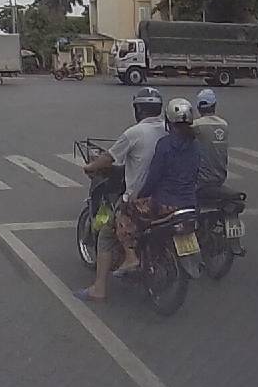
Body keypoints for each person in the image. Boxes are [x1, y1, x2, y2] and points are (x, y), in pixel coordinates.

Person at [76, 87, 167, 301]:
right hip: (166, 198)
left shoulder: (134, 133)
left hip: (139, 200)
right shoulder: (168, 129)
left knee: (106, 234)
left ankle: (99, 288)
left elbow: (109, 158)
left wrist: (90, 167)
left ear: (138, 109)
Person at [114, 98, 201, 278]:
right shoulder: (195, 145)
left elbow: (154, 176)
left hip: (164, 204)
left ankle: (131, 257)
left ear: (169, 121)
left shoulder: (165, 144)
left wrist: (140, 195)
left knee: (124, 211)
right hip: (190, 203)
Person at [192, 88, 230, 194]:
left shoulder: (196, 125)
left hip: (201, 179)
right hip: (221, 177)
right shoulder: (224, 124)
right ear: (214, 105)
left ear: (198, 107)